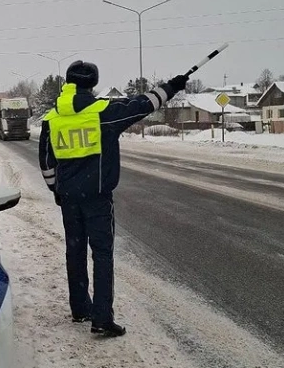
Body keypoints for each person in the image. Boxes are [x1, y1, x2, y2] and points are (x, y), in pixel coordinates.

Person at [38, 60, 187, 337]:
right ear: (93, 83)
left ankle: (80, 308)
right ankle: (102, 318)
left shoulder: (52, 118)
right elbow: (144, 104)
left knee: (75, 251)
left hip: (69, 198)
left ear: (69, 81)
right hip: (97, 198)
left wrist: (56, 191)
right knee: (102, 254)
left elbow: (46, 161)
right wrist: (172, 87)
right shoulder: (104, 112)